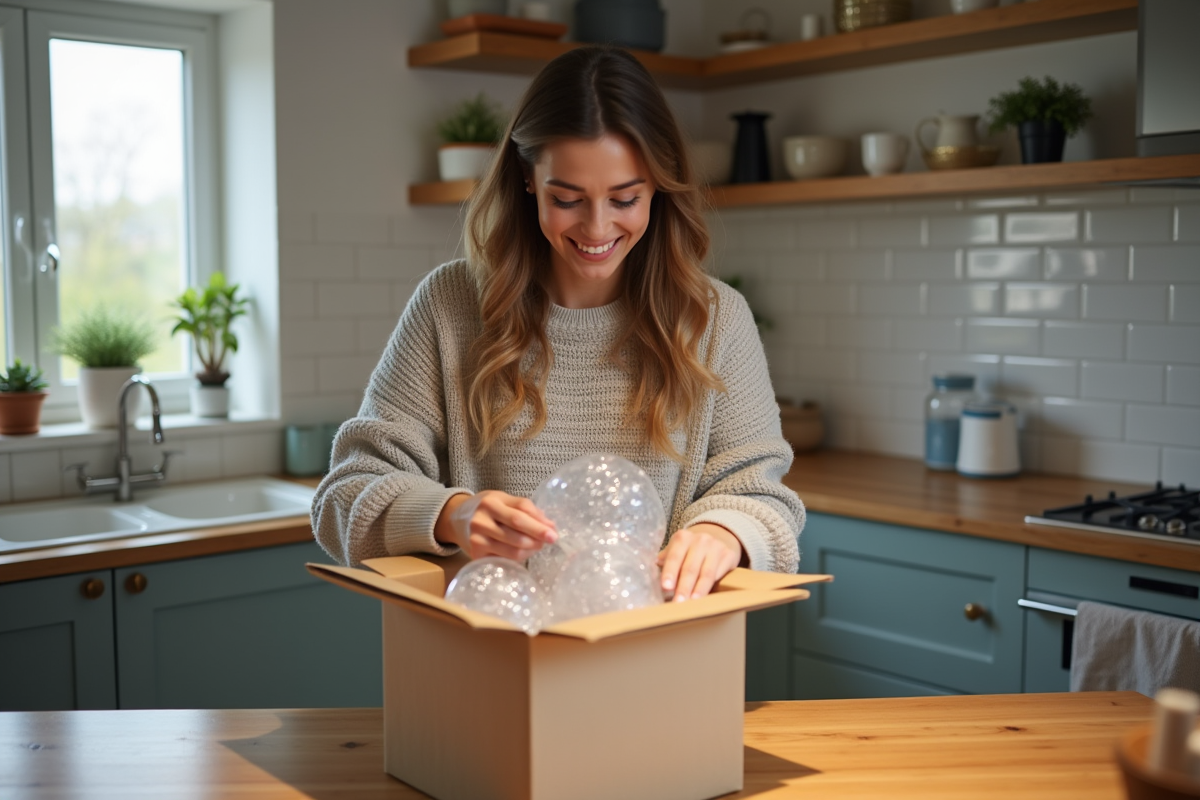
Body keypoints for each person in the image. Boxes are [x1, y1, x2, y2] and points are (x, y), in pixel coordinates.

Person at [312, 45, 803, 601]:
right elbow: (344, 496)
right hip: (494, 661)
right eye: (567, 198)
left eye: (625, 198)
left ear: (659, 187)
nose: (597, 228)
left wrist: (722, 531)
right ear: (527, 179)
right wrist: (451, 513)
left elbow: (765, 499)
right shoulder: (450, 305)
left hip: (657, 657)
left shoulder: (714, 320)